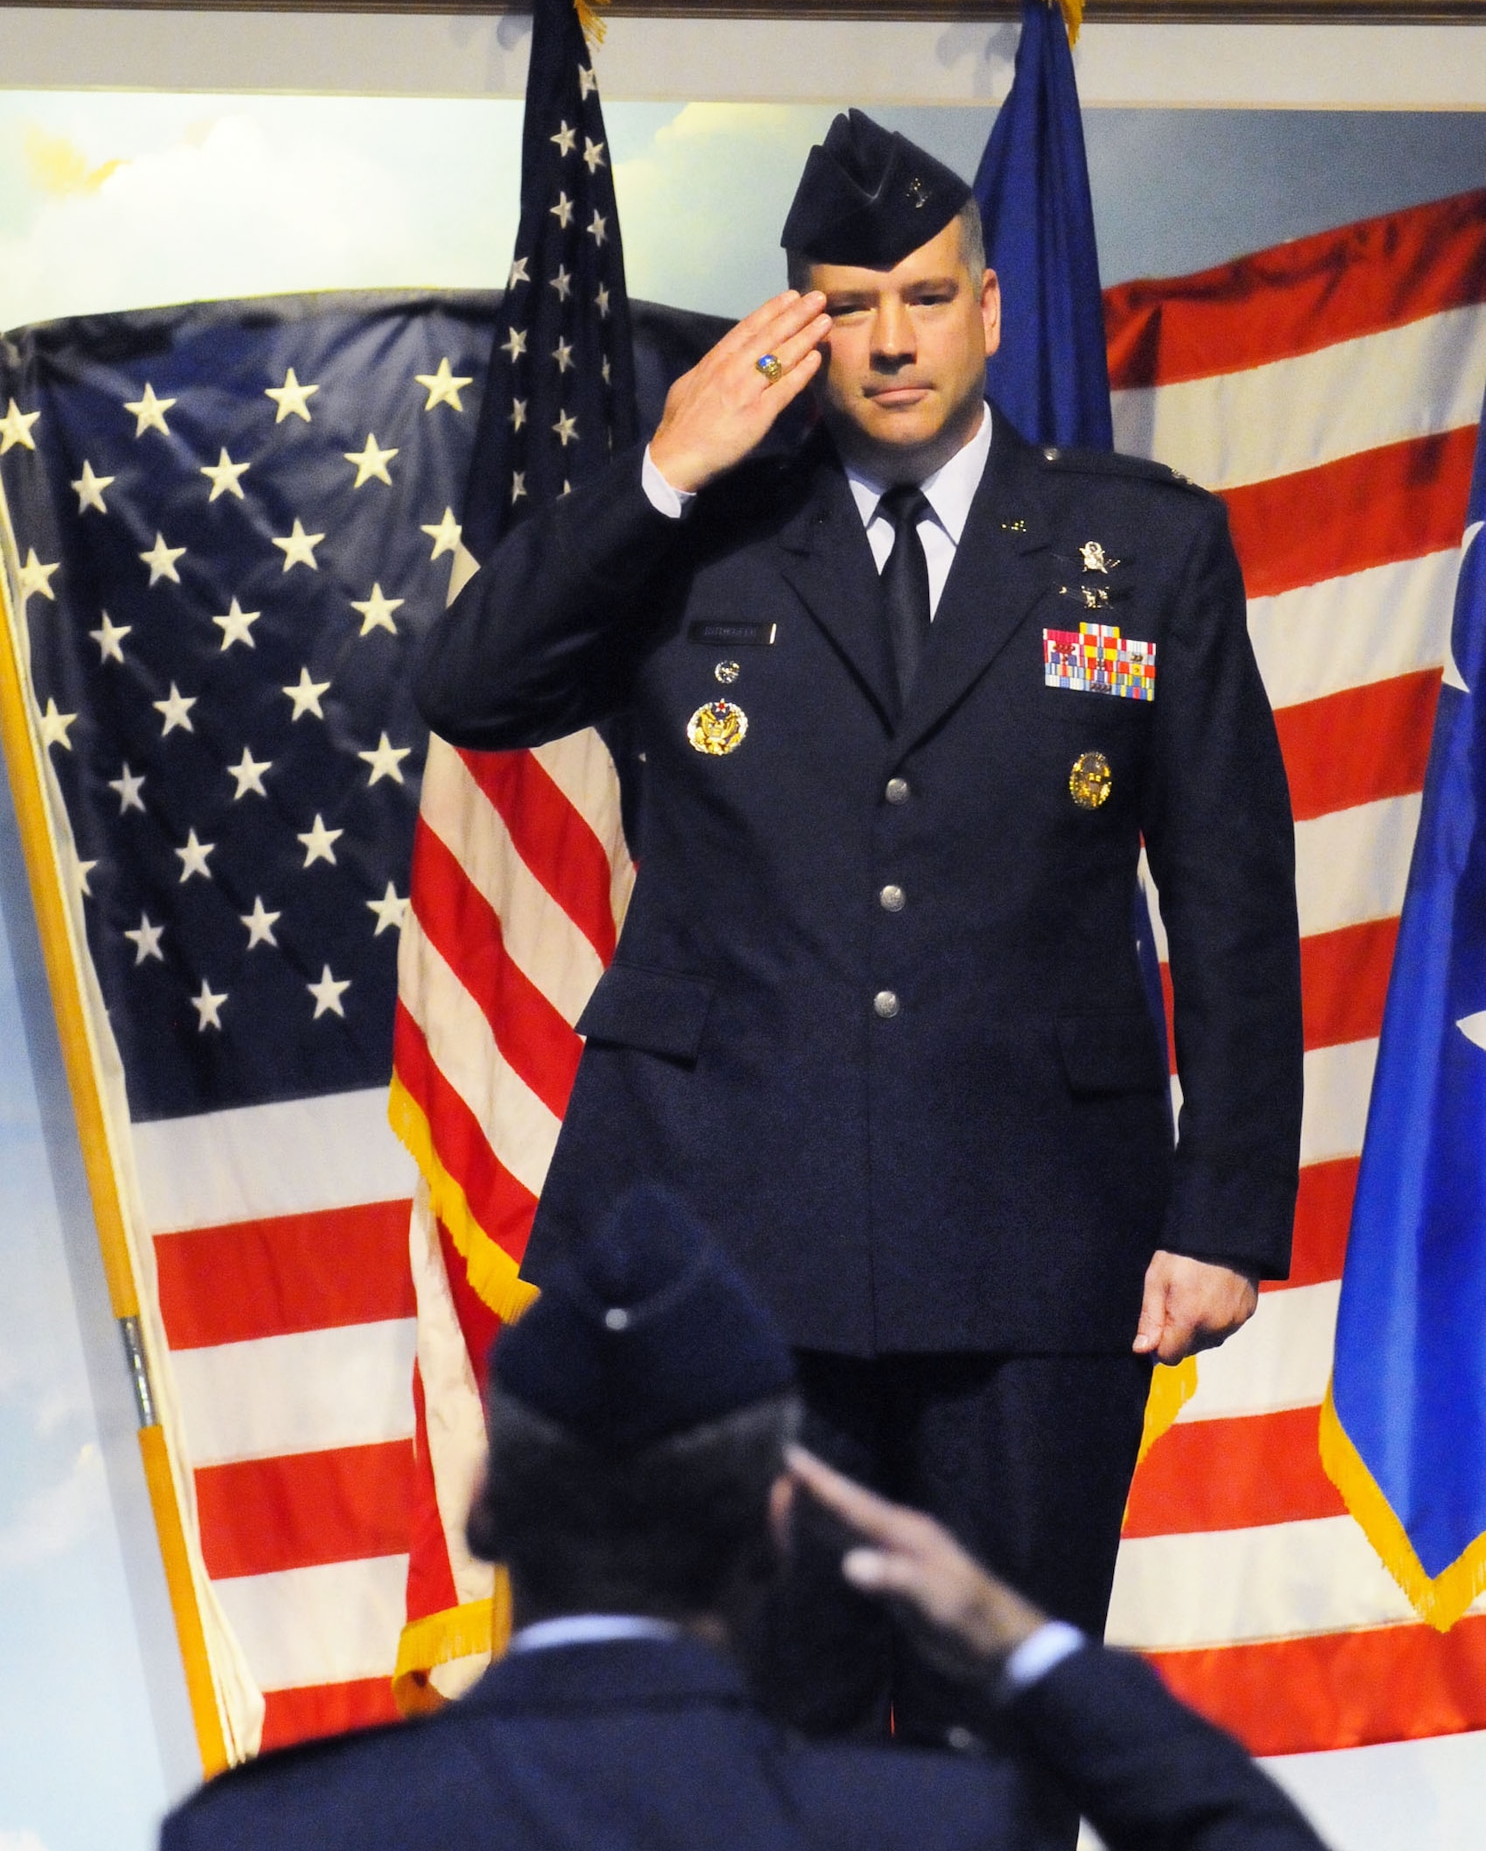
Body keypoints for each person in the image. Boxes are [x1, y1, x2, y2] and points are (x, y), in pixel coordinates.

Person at [415, 112, 1303, 1744]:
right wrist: (667, 464)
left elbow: (1235, 892)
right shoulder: (693, 535)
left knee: (1007, 1733)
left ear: (989, 308)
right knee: (757, 1747)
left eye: (923, 294)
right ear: (799, 320)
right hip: (725, 1233)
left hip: (1040, 1239)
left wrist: (1227, 1208)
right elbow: (469, 689)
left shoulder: (1145, 548)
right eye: (851, 302)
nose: (891, 337)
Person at [161, 1187, 1326, 1851]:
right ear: (779, 1524)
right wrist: (1011, 1633)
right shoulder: (928, 1832)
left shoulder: (272, 1834)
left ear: (482, 1508)